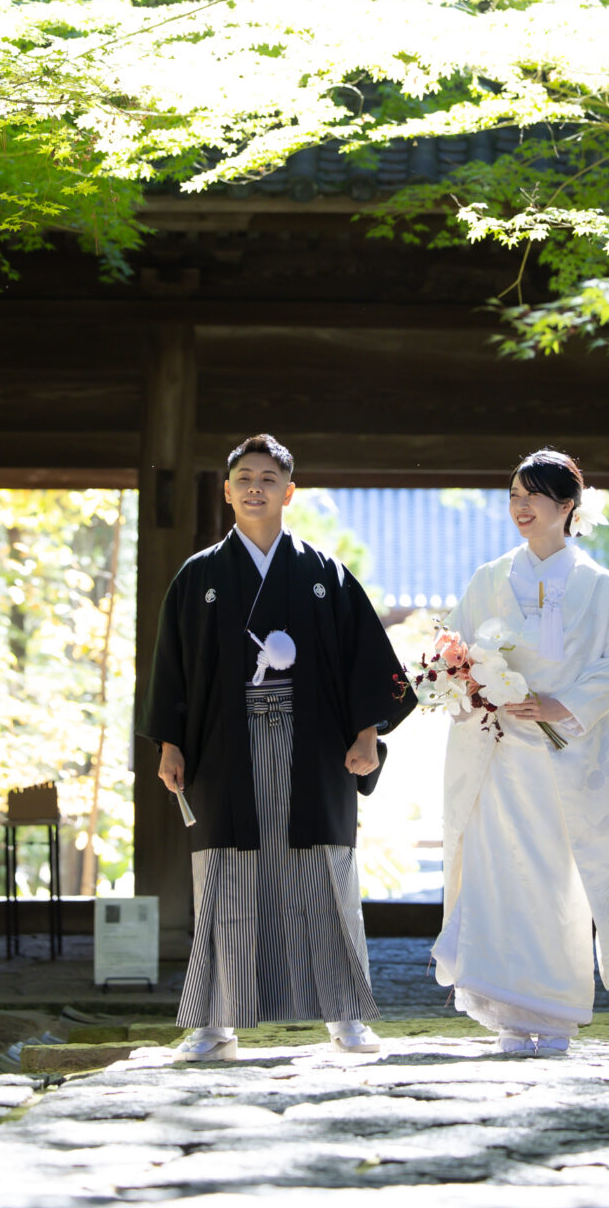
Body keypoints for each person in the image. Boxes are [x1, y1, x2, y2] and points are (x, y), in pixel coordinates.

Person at [142, 433, 415, 1062]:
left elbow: (364, 662)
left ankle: (345, 1019)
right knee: (225, 877)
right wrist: (170, 743)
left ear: (289, 491)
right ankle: (214, 1025)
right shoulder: (200, 576)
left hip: (313, 745)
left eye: (268, 477)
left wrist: (367, 734)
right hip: (223, 748)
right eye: (243, 477)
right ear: (228, 490)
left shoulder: (324, 575)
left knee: (324, 873)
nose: (255, 487)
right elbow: (172, 669)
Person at [431, 448, 609, 1055]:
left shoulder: (598, 584)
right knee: (499, 875)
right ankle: (507, 1013)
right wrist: (472, 682)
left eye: (533, 497)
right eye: (515, 496)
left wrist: (561, 705)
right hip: (498, 754)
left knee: (558, 877)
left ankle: (554, 1012)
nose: (520, 507)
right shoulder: (490, 576)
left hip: (564, 754)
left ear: (567, 507)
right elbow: (456, 645)